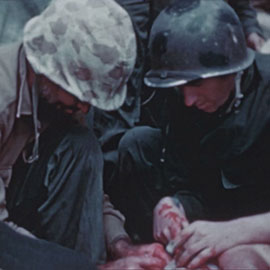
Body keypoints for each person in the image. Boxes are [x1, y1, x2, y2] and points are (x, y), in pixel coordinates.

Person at [112, 0, 270, 268]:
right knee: (137, 143)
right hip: (224, 203)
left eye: (196, 83)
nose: (188, 99)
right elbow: (193, 178)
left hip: (259, 216)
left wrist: (233, 233)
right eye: (181, 86)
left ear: (231, 71)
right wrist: (174, 204)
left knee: (239, 261)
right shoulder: (181, 95)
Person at [0, 0, 136, 268]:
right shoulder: (4, 95)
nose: (84, 107)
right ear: (47, 70)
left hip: (14, 199)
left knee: (81, 145)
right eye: (80, 96)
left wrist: (120, 244)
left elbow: (90, 192)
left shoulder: (58, 97)